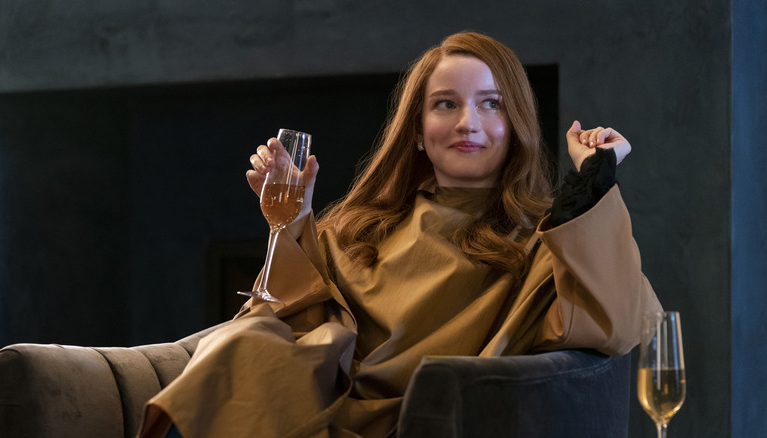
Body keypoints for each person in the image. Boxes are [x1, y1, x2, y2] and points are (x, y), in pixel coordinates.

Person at [138, 31, 662, 438]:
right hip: (315, 414)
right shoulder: (360, 227)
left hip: (425, 421)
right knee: (245, 344)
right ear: (416, 130)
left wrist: (593, 180)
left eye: (490, 103)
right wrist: (289, 223)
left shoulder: (544, 242)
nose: (466, 122)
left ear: (516, 123)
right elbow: (284, 324)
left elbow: (610, 326)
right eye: (445, 104)